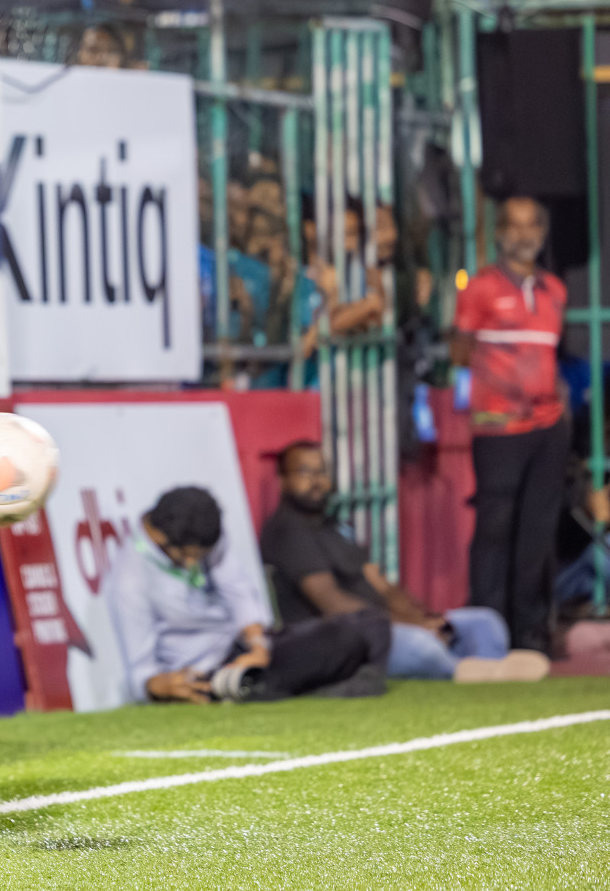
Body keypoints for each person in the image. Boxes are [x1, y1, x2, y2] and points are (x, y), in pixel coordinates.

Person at [261, 442, 549, 682]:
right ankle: (464, 670)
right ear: (284, 479)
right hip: (347, 638)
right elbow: (332, 603)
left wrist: (423, 618)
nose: (317, 481)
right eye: (304, 472)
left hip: (390, 623)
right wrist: (410, 627)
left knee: (486, 622)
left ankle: (485, 669)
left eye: (322, 471)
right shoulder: (288, 531)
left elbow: (382, 586)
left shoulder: (335, 525)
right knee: (421, 646)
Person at [109, 486, 389, 704]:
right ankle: (272, 686)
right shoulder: (130, 579)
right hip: (206, 673)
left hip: (242, 651)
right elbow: (140, 672)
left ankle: (276, 684)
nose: (197, 565)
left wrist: (257, 647)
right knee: (259, 678)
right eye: (192, 557)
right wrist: (159, 686)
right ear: (162, 539)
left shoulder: (202, 536)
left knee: (359, 629)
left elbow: (238, 591)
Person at [451, 196, 569, 654]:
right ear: (499, 232)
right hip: (499, 429)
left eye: (532, 227)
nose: (523, 236)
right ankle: (488, 632)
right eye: (514, 227)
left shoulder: (554, 290)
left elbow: (548, 357)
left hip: (548, 427)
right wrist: (500, 380)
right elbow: (459, 353)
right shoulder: (479, 288)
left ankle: (531, 634)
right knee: (494, 530)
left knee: (537, 532)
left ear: (542, 234)